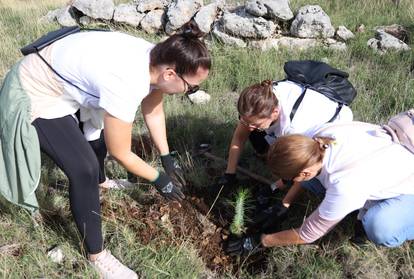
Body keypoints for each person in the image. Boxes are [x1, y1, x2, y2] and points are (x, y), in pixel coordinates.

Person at [0, 21, 210, 278]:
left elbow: (153, 109)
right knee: (84, 169)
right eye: (192, 87)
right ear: (170, 74)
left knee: (97, 135)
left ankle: (102, 182)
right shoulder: (127, 81)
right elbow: (120, 152)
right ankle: (97, 256)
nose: (190, 91)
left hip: (61, 81)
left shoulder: (156, 57)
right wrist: (159, 179)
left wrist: (166, 158)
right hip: (35, 89)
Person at [226, 121, 414, 256]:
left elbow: (306, 234)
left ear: (305, 172)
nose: (285, 181)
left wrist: (261, 241)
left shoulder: (344, 185)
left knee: (379, 225)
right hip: (385, 158)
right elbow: (304, 177)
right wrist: (282, 201)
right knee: (320, 186)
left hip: (408, 181)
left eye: (287, 178)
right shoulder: (313, 138)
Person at [215, 79, 353, 229]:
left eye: (255, 124)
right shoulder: (262, 100)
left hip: (329, 131)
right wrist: (229, 173)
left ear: (275, 113)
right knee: (255, 134)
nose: (249, 127)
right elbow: (241, 135)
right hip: (294, 119)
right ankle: (269, 157)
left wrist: (283, 202)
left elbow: (304, 171)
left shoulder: (295, 129)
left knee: (306, 176)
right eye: (246, 122)